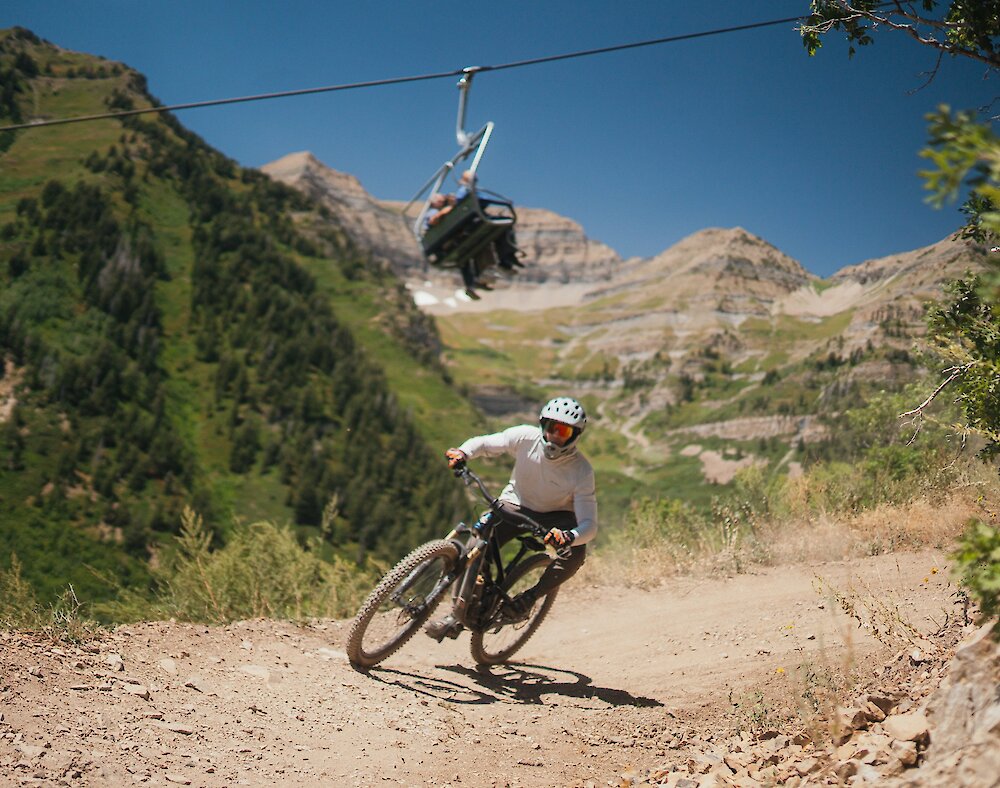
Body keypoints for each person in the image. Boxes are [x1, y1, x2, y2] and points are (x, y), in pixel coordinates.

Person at [425, 396, 597, 642]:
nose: (554, 436)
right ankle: (460, 612)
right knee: (477, 544)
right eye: (551, 427)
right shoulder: (525, 437)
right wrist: (463, 452)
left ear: (575, 435)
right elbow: (486, 443)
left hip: (556, 518)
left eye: (563, 431)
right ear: (542, 425)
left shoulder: (582, 471)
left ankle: (529, 598)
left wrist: (569, 536)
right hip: (515, 504)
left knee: (575, 554)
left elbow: (589, 524)